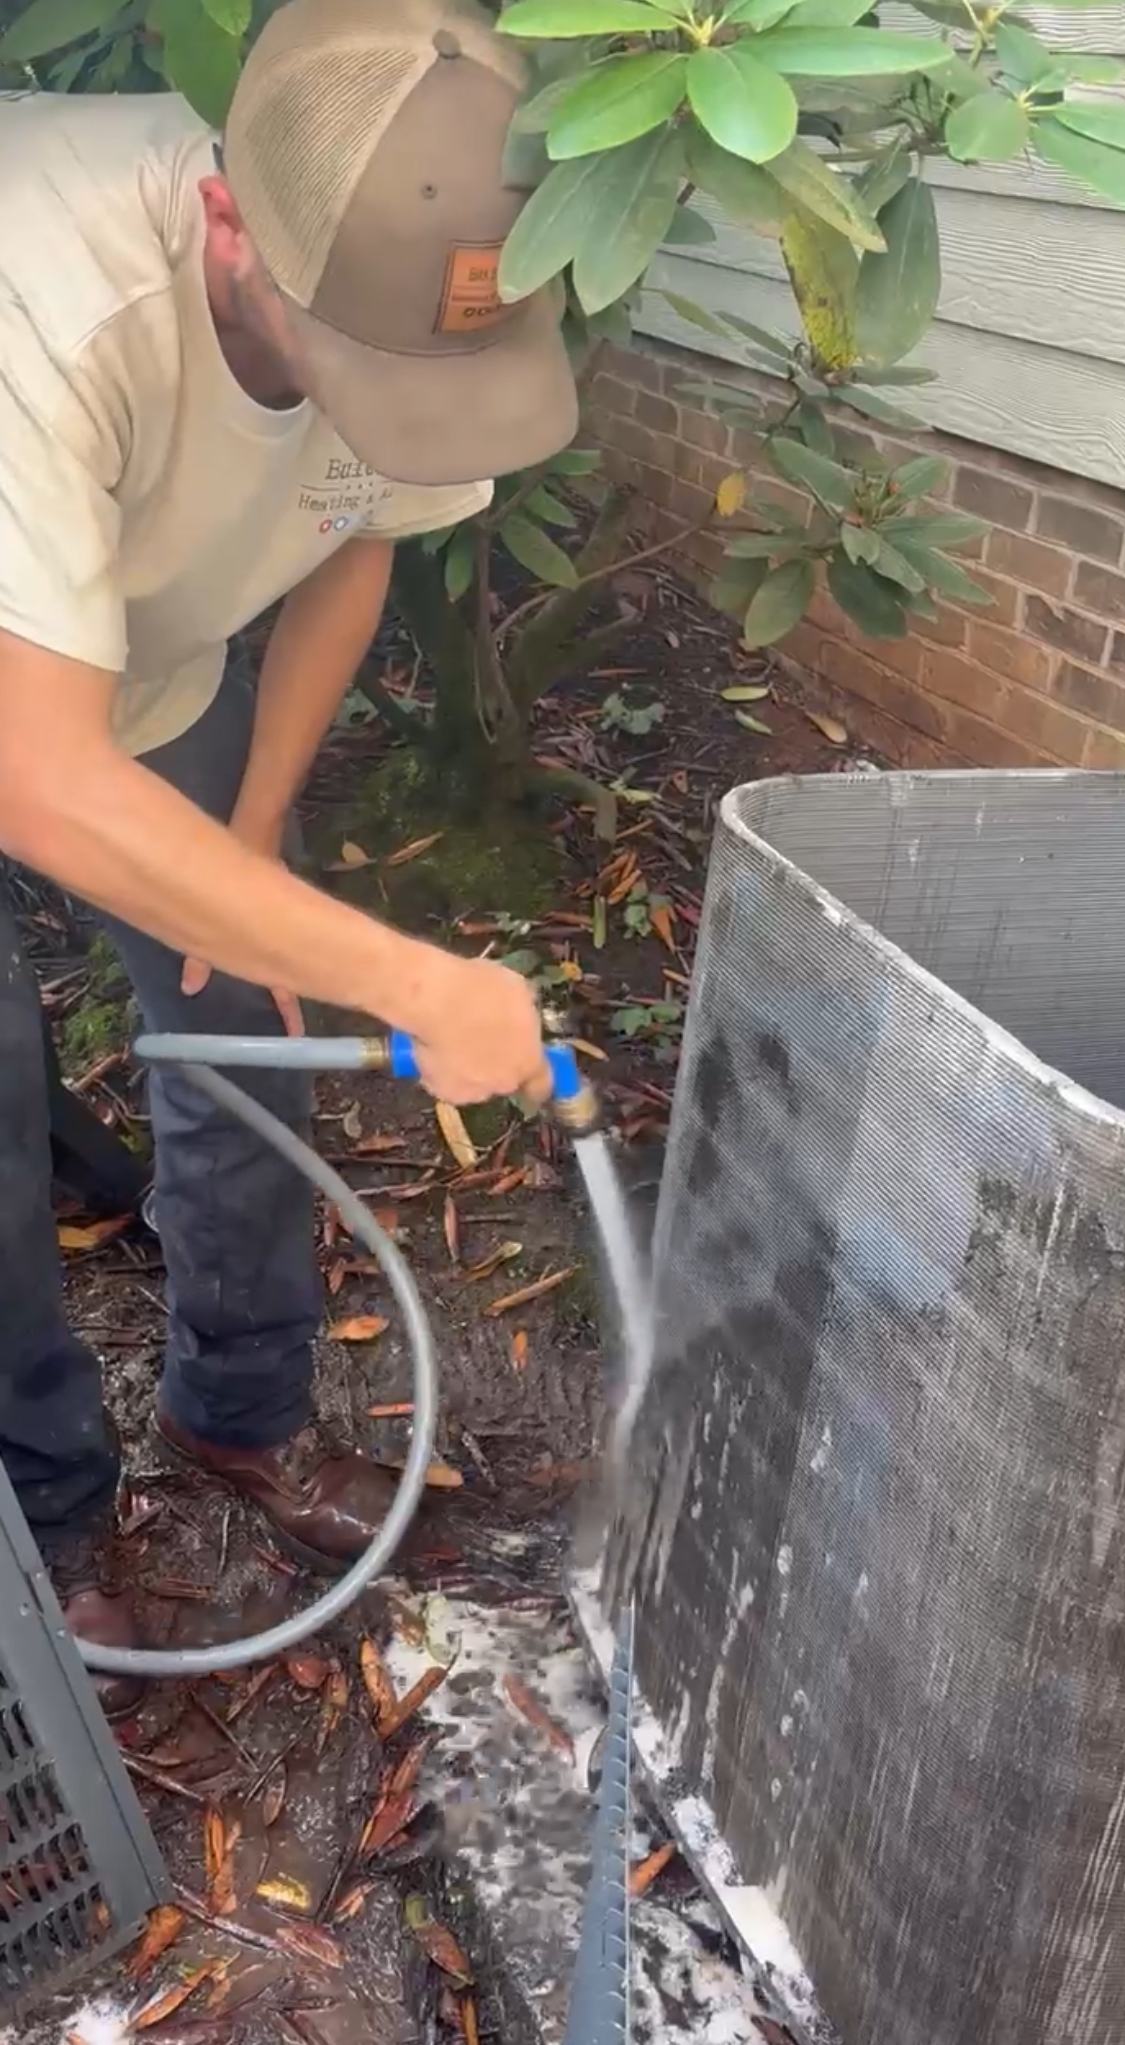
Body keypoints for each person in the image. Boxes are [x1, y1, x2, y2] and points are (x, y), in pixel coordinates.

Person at [0, 0, 579, 1718]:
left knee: (242, 987)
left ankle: (234, 1410)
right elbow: (38, 773)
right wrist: (406, 975)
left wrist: (253, 832)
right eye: (352, 365)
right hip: (27, 689)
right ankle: (50, 1512)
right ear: (227, 215)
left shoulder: (410, 274)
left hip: (138, 660)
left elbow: (355, 535)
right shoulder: (50, 295)